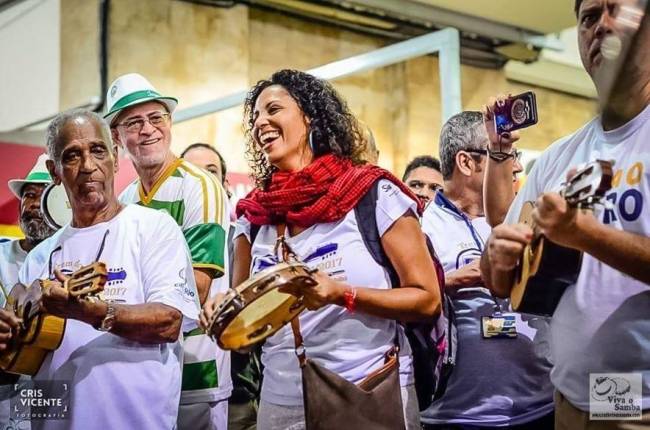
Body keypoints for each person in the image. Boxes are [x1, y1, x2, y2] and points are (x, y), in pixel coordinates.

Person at [200, 69, 441, 430]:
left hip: (367, 390)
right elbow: (246, 341)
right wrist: (225, 314)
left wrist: (341, 294)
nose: (260, 123)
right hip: (281, 404)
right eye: (255, 118)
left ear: (309, 115)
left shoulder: (372, 194)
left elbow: (427, 299)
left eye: (273, 110)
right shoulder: (254, 218)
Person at [481, 1, 650, 428]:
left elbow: (584, 238)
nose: (602, 26)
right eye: (589, 17)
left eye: (619, 11)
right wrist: (496, 258)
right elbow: (503, 278)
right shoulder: (559, 156)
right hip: (572, 401)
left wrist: (583, 233)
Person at [0, 109, 199, 430]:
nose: (88, 166)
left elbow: (169, 322)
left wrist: (93, 312)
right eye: (72, 156)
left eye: (97, 151)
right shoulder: (40, 257)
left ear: (115, 157)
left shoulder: (152, 227)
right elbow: (27, 370)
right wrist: (9, 341)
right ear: (55, 171)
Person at [106, 73, 232, 429]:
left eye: (156, 118)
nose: (147, 129)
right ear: (117, 137)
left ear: (170, 123)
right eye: (133, 122)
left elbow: (197, 286)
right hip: (141, 372)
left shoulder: (201, 187)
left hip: (197, 373)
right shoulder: (126, 199)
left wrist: (110, 306)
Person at [420, 111, 552, 429]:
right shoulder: (420, 226)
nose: (517, 166)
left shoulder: (526, 215)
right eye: (503, 156)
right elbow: (399, 298)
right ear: (466, 163)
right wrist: (448, 280)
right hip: (458, 414)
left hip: (540, 404)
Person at [180, 143, 261, 430]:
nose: (203, 182)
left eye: (211, 172)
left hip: (237, 399)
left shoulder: (247, 242)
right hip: (173, 396)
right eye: (192, 174)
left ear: (227, 185)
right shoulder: (164, 244)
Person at [0, 154, 55, 430]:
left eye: (43, 197)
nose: (33, 205)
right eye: (28, 196)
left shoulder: (72, 258)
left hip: (51, 393)